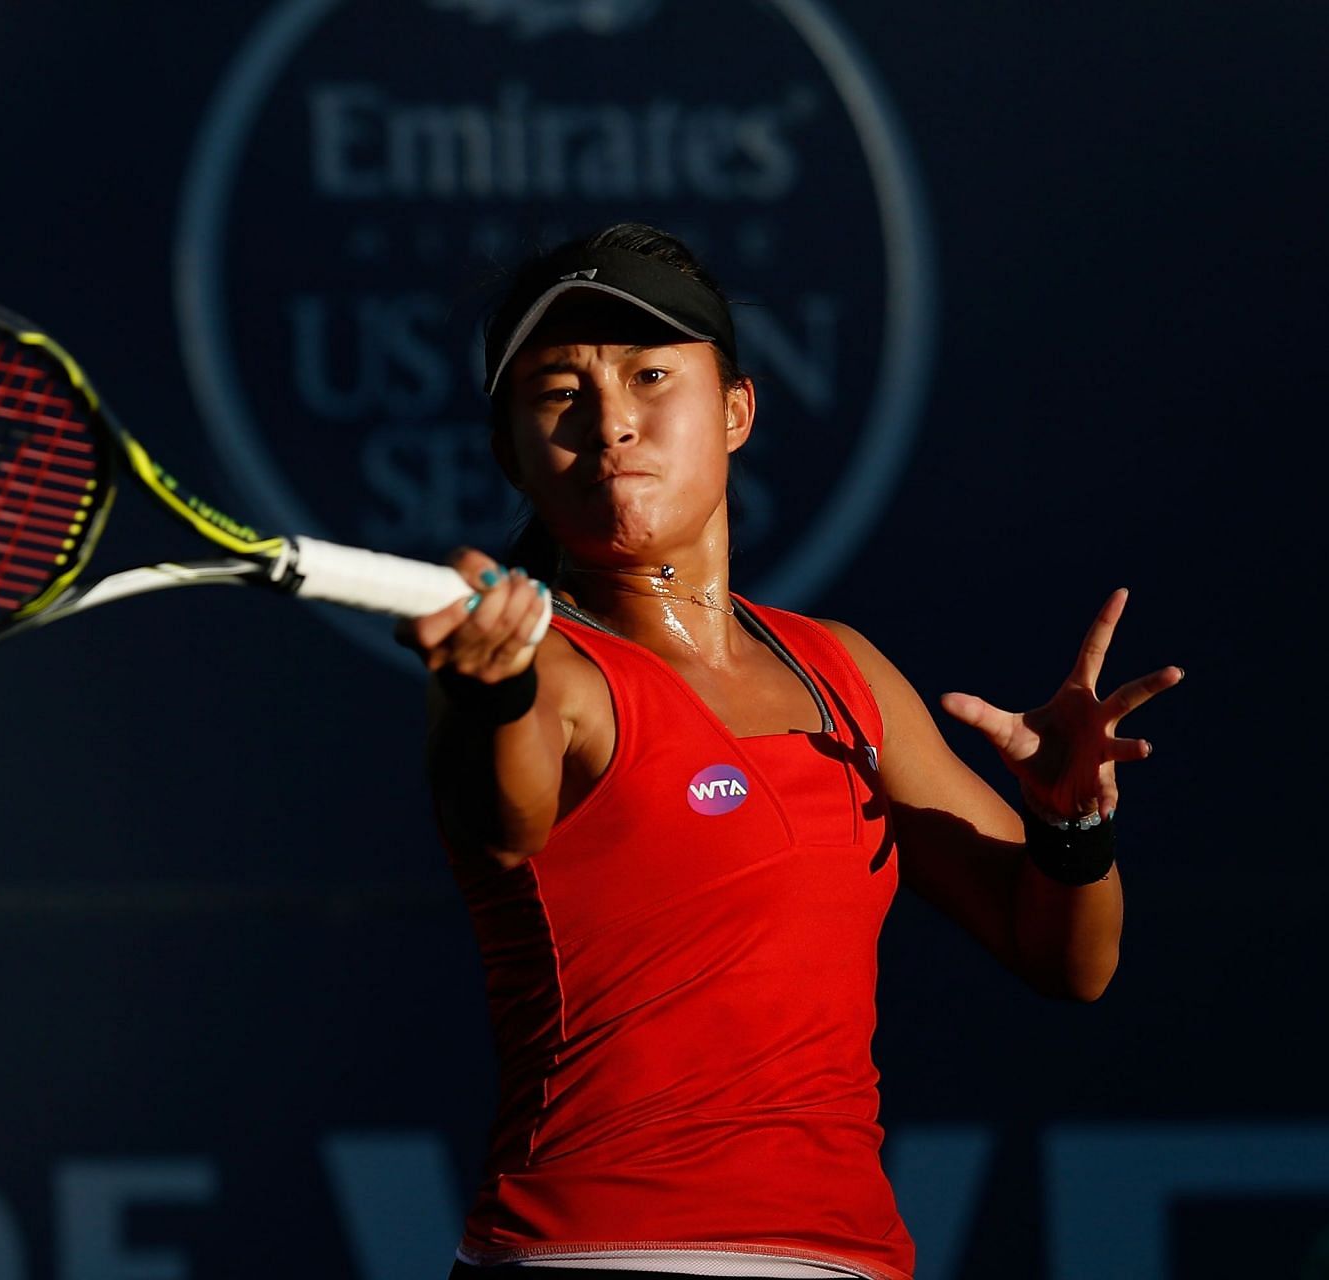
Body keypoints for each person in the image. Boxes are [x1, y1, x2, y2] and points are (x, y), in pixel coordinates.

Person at [400, 223, 1182, 1280]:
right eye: (558, 392)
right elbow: (503, 819)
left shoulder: (839, 668)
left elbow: (1069, 959)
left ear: (735, 412)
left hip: (849, 1254)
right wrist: (490, 698)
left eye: (649, 375)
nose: (610, 422)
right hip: (595, 1251)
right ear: (513, 452)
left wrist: (1071, 825)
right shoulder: (542, 674)